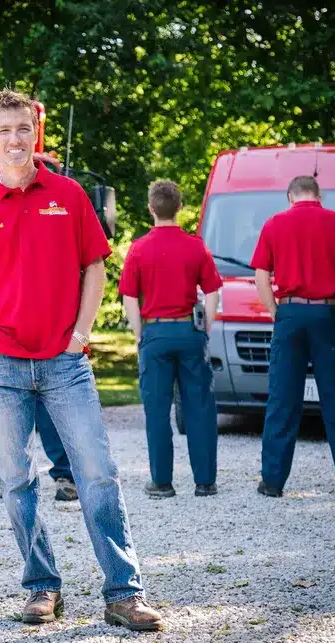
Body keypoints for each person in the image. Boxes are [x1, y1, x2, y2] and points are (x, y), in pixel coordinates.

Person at [0, 88, 162, 632]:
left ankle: (124, 593)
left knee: (98, 474)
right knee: (17, 481)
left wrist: (82, 332)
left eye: (24, 128)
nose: (15, 139)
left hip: (65, 363)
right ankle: (42, 588)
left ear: (34, 134)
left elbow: (95, 267)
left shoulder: (67, 195)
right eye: (5, 130)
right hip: (2, 369)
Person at [249, 175, 335, 499]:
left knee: (282, 399)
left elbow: (261, 274)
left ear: (290, 196)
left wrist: (277, 312)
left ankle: (272, 482)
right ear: (320, 194)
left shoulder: (274, 223)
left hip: (289, 315)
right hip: (327, 313)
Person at [0, 157, 78, 502]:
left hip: (42, 340)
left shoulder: (30, 214)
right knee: (6, 427)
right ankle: (12, 480)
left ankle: (63, 475)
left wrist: (78, 338)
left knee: (47, 415)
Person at [120, 179, 222, 499]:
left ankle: (162, 482)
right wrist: (204, 329)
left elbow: (130, 300)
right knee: (200, 407)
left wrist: (140, 335)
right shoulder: (196, 246)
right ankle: (205, 481)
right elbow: (213, 292)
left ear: (151, 208)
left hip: (156, 332)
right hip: (189, 332)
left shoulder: (138, 249)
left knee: (157, 409)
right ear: (180, 207)